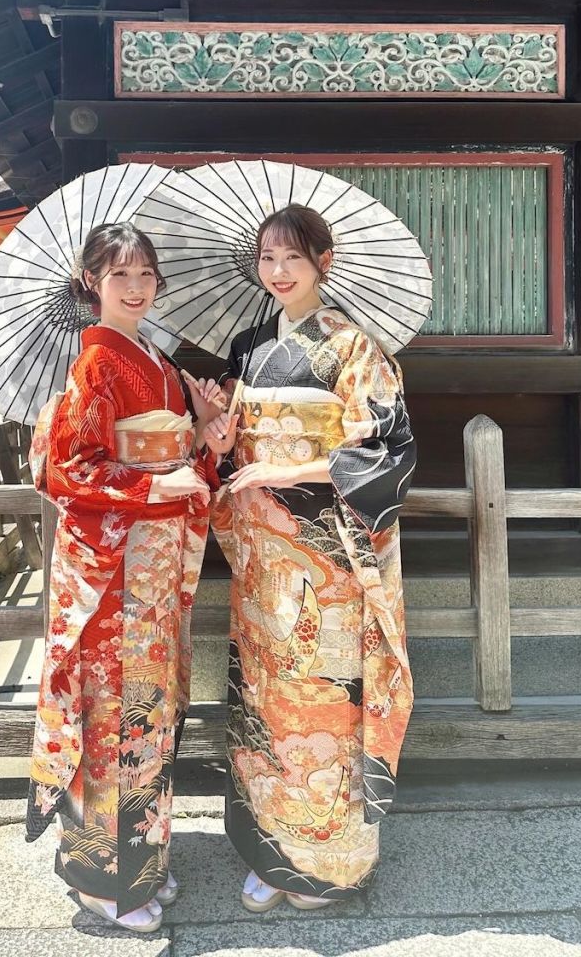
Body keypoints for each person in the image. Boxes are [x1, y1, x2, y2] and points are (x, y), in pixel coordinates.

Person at [204, 204, 416, 913]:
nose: (279, 271)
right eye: (267, 257)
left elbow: (384, 449)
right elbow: (233, 452)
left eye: (293, 256)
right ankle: (272, 855)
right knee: (263, 703)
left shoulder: (354, 348)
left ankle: (330, 863)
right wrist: (221, 436)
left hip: (326, 559)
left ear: (323, 261)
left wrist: (284, 469)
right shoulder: (247, 348)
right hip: (261, 558)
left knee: (324, 700)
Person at [25, 222, 225, 933]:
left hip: (153, 567)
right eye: (120, 275)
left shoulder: (159, 363)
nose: (136, 287)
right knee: (111, 714)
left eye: (145, 274)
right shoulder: (96, 364)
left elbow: (181, 466)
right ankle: (99, 880)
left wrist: (207, 436)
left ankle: (140, 863)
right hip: (113, 574)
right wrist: (156, 485)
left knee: (148, 712)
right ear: (93, 283)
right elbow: (68, 470)